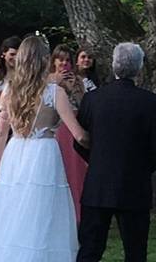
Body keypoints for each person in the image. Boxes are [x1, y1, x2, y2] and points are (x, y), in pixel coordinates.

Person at [0, 35, 90, 262]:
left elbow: (1, 133)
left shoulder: (10, 91)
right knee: (43, 211)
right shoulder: (54, 92)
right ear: (44, 61)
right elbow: (78, 133)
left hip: (14, 153)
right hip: (43, 153)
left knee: (14, 212)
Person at [75, 42, 156, 262]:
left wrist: (96, 161)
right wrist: (142, 168)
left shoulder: (93, 99)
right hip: (134, 183)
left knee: (90, 248)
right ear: (138, 68)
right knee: (135, 251)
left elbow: (79, 140)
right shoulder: (150, 102)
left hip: (98, 183)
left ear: (114, 66)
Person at [51, 43, 88, 222]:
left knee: (77, 171)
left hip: (74, 128)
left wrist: (74, 89)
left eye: (67, 60)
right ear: (54, 61)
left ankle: (78, 213)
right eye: (61, 60)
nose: (64, 64)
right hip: (57, 128)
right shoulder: (49, 79)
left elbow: (84, 107)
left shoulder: (78, 80)